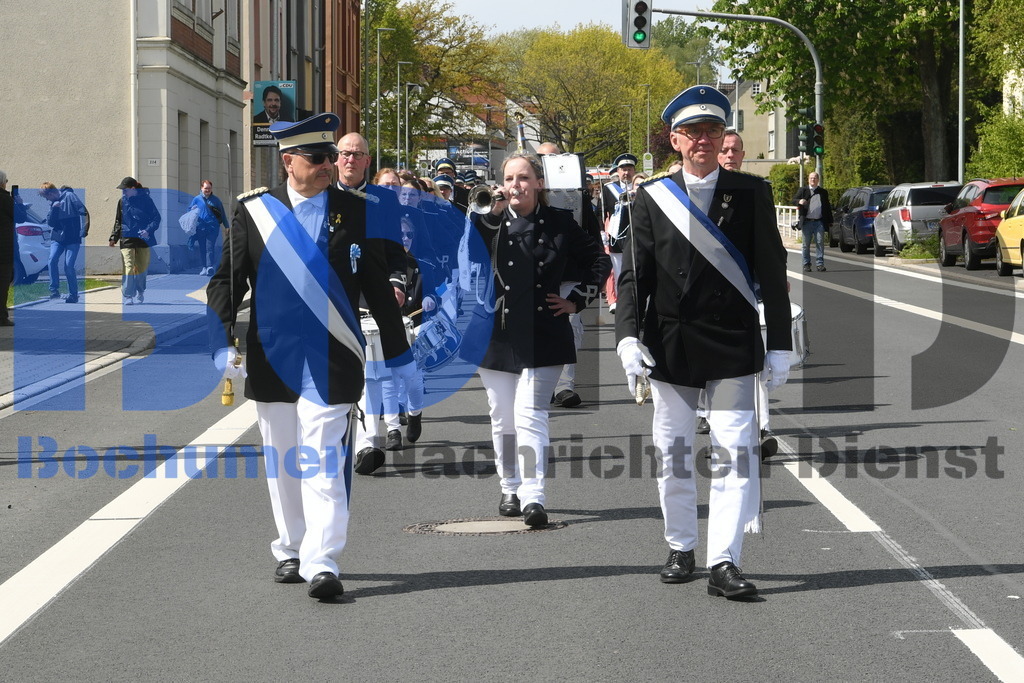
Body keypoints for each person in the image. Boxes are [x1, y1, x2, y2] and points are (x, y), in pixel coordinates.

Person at [206, 112, 412, 600]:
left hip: (333, 354)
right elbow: (225, 280)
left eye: (330, 156)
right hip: (272, 354)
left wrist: (399, 354)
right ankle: (291, 549)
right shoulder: (254, 211)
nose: (328, 165)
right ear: (287, 162)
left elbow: (378, 286)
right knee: (282, 460)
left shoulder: (358, 210)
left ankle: (323, 561)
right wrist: (219, 340)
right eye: (317, 158)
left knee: (322, 458)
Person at [615, 85, 791, 599]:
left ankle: (724, 561)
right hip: (671, 344)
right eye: (692, 132)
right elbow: (634, 277)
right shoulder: (651, 197)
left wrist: (779, 342)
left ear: (722, 138)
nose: (703, 141)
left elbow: (772, 271)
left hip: (732, 343)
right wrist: (627, 337)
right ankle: (681, 545)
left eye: (712, 131)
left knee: (736, 453)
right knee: (673, 452)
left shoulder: (752, 192)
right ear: (675, 139)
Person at [466, 152, 609, 526]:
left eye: (524, 178)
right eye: (510, 178)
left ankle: (533, 497)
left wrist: (578, 302)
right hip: (496, 331)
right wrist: (490, 215)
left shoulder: (560, 223)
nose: (517, 185)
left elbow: (601, 261)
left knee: (530, 414)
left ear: (539, 183)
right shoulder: (486, 222)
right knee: (503, 417)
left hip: (544, 329)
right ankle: (509, 487)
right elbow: (465, 256)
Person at [109, 176, 160, 305]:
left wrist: (148, 230)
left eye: (125, 190)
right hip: (126, 238)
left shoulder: (146, 200)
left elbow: (156, 218)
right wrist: (113, 237)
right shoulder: (122, 202)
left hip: (143, 239)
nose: (123, 192)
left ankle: (140, 291)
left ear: (133, 188)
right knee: (128, 266)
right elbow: (118, 220)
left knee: (141, 269)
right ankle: (128, 296)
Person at [40, 182, 89, 303]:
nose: (47, 200)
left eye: (47, 197)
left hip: (72, 238)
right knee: (52, 260)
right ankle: (54, 291)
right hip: (57, 238)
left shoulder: (70, 196)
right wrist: (54, 209)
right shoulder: (53, 203)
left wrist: (84, 229)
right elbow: (51, 223)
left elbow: (84, 212)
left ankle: (73, 295)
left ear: (51, 193)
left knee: (68, 266)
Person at [602, 153, 638, 314]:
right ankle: (621, 303)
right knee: (618, 271)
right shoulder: (609, 189)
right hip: (618, 237)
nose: (626, 173)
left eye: (629, 169)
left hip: (638, 236)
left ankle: (636, 302)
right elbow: (603, 213)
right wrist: (602, 232)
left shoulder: (640, 187)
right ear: (618, 170)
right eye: (623, 169)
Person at [793, 171, 833, 272]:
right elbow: (793, 200)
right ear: (808, 179)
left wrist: (830, 221)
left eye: (815, 178)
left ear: (818, 180)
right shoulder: (803, 190)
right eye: (811, 178)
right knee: (806, 244)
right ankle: (806, 264)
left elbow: (827, 207)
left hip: (819, 222)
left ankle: (820, 264)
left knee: (820, 242)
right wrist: (799, 201)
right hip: (807, 221)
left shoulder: (823, 192)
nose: (813, 180)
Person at [189, 180, 229, 276]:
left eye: (209, 188)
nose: (208, 190)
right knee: (202, 247)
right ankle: (204, 267)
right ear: (201, 188)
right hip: (201, 227)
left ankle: (210, 266)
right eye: (206, 188)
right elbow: (189, 211)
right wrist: (191, 209)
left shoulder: (216, 200)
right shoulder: (196, 199)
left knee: (209, 247)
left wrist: (227, 226)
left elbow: (222, 214)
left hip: (212, 227)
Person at [0, 170, 14, 326]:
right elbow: (20, 217)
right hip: (3, 252)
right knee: (2, 285)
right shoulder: (5, 199)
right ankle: (1, 317)